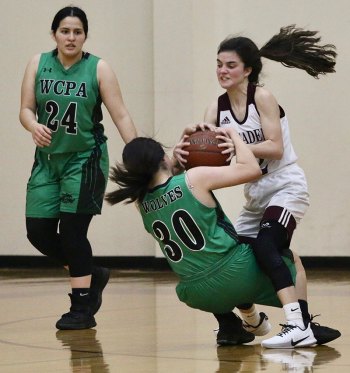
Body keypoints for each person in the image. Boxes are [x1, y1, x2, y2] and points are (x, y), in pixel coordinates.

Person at [175, 25, 339, 348]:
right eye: (219, 64)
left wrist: (235, 145)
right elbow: (208, 161)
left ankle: (295, 325)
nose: (223, 71)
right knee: (231, 258)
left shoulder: (261, 97)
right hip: (255, 196)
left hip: (286, 186)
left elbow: (275, 147)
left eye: (230, 65)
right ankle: (254, 321)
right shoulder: (215, 109)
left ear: (248, 69)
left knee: (266, 245)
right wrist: (184, 152)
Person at [105, 128, 324, 349]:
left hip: (195, 293)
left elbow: (165, 189)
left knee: (214, 260)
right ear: (163, 157)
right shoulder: (193, 179)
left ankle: (241, 324)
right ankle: (300, 324)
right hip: (236, 274)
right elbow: (251, 169)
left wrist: (178, 162)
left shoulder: (140, 203)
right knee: (284, 257)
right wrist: (233, 136)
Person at [19, 6, 137, 330]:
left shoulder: (99, 68)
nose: (71, 37)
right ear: (54, 33)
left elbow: (121, 114)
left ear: (85, 35)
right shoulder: (37, 63)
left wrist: (138, 150)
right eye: (65, 31)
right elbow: (26, 109)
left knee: (72, 233)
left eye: (77, 32)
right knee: (38, 233)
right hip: (47, 161)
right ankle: (93, 273)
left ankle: (82, 306)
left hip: (84, 160)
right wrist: (32, 125)